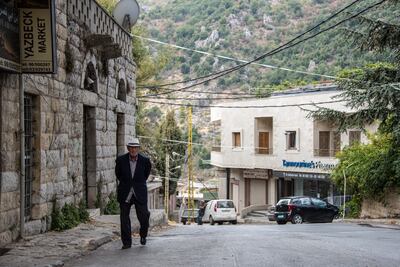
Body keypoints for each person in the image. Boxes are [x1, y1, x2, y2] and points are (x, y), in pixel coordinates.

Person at [115, 138, 152, 249]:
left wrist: (137, 184)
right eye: (131, 147)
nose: (133, 150)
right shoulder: (120, 160)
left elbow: (146, 174)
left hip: (139, 192)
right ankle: (127, 243)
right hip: (125, 192)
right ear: (128, 148)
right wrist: (127, 183)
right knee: (124, 218)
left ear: (138, 148)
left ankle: (143, 235)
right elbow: (118, 174)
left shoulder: (145, 160)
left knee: (144, 217)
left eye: (135, 147)